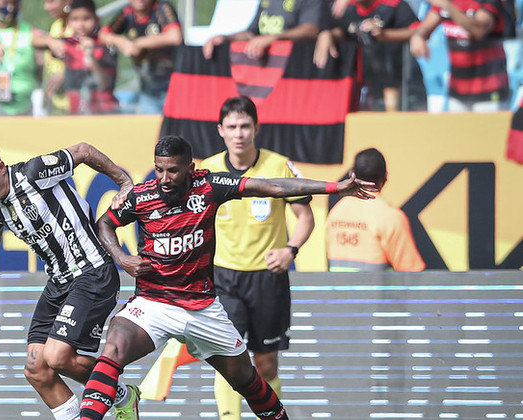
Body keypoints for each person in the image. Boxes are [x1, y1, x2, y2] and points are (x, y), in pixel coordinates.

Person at [79, 135, 377, 420]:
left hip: (203, 309)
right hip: (153, 302)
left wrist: (335, 188)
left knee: (247, 380)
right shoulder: (140, 197)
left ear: (189, 169)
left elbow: (271, 185)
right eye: (159, 169)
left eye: (173, 170)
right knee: (114, 345)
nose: (165, 178)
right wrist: (121, 258)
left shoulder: (209, 185)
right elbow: (105, 223)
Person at [0, 140, 139, 420]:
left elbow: (84, 151)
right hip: (58, 282)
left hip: (92, 272)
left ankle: (124, 397)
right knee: (36, 369)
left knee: (57, 357)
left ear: (0, 168)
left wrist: (124, 183)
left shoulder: (34, 173)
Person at [198, 96, 315, 419]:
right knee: (229, 361)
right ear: (220, 130)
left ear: (256, 128)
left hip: (267, 279)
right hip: (222, 279)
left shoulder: (279, 166)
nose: (239, 134)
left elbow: (305, 217)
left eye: (245, 126)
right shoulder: (206, 170)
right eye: (232, 127)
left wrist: (291, 249)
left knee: (265, 363)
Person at [326, 148, 425, 271]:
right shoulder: (390, 216)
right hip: (378, 290)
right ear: (386, 177)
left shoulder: (336, 212)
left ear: (352, 174)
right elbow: (410, 270)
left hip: (337, 289)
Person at [316, 0, 426, 111]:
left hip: (401, 81)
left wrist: (383, 34)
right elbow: (342, 31)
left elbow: (418, 31)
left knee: (398, 120)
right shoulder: (347, 8)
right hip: (366, 83)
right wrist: (326, 34)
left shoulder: (392, 4)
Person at [410, 0, 509, 111]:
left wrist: (449, 7)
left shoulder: (488, 2)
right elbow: (425, 28)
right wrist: (417, 37)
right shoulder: (449, 2)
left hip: (489, 89)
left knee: (488, 128)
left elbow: (479, 30)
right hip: (458, 91)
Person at [99, 0, 183, 114]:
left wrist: (138, 44)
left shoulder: (161, 7)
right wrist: (122, 42)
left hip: (173, 84)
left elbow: (175, 36)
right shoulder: (127, 13)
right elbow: (103, 35)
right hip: (148, 88)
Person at [38, 0, 120, 114]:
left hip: (104, 111)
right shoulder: (69, 44)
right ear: (68, 22)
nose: (80, 25)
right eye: (75, 19)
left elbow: (105, 84)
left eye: (86, 18)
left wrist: (90, 57)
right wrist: (49, 41)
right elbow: (34, 42)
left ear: (96, 19)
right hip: (77, 111)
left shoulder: (104, 46)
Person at [202, 0, 328, 60]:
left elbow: (311, 29)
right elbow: (251, 33)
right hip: (266, 69)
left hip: (295, 69)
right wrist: (225, 38)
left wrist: (274, 38)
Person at [0, 0, 37, 115]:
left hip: (24, 109)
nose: (10, 7)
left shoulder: (28, 30)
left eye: (14, 3)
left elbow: (45, 40)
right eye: (5, 3)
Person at [41, 0, 74, 114]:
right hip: (55, 106)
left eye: (51, 2)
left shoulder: (80, 28)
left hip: (75, 107)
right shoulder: (56, 26)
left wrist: (67, 74)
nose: (46, 7)